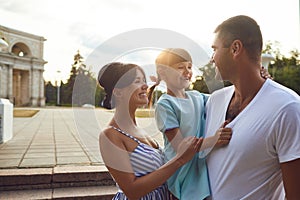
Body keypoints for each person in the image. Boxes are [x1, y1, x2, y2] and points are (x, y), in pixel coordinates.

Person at [206, 15, 300, 199]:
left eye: (215, 49)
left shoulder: (287, 108)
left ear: (235, 48)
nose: (212, 59)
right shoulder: (213, 101)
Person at [98, 62, 204, 200]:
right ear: (118, 92)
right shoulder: (110, 135)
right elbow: (132, 191)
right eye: (137, 81)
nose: (145, 86)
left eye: (144, 80)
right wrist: (180, 159)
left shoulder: (140, 131)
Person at [148, 48, 232, 200]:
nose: (187, 71)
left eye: (189, 66)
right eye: (180, 67)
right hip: (180, 172)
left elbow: (227, 99)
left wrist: (258, 78)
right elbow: (181, 147)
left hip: (199, 167)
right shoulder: (165, 104)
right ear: (163, 72)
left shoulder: (197, 97)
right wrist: (214, 140)